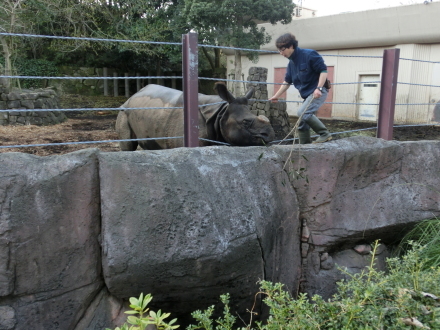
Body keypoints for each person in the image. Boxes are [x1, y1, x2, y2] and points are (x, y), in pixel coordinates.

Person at [269, 33, 332, 144]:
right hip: (307, 95)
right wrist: (276, 96)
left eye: (282, 49)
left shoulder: (309, 54)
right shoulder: (291, 64)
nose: (281, 53)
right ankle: (305, 148)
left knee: (303, 113)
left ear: (291, 46)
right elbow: (287, 82)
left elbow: (323, 71)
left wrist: (319, 88)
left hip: (318, 91)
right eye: (279, 50)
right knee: (302, 124)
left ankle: (324, 134)